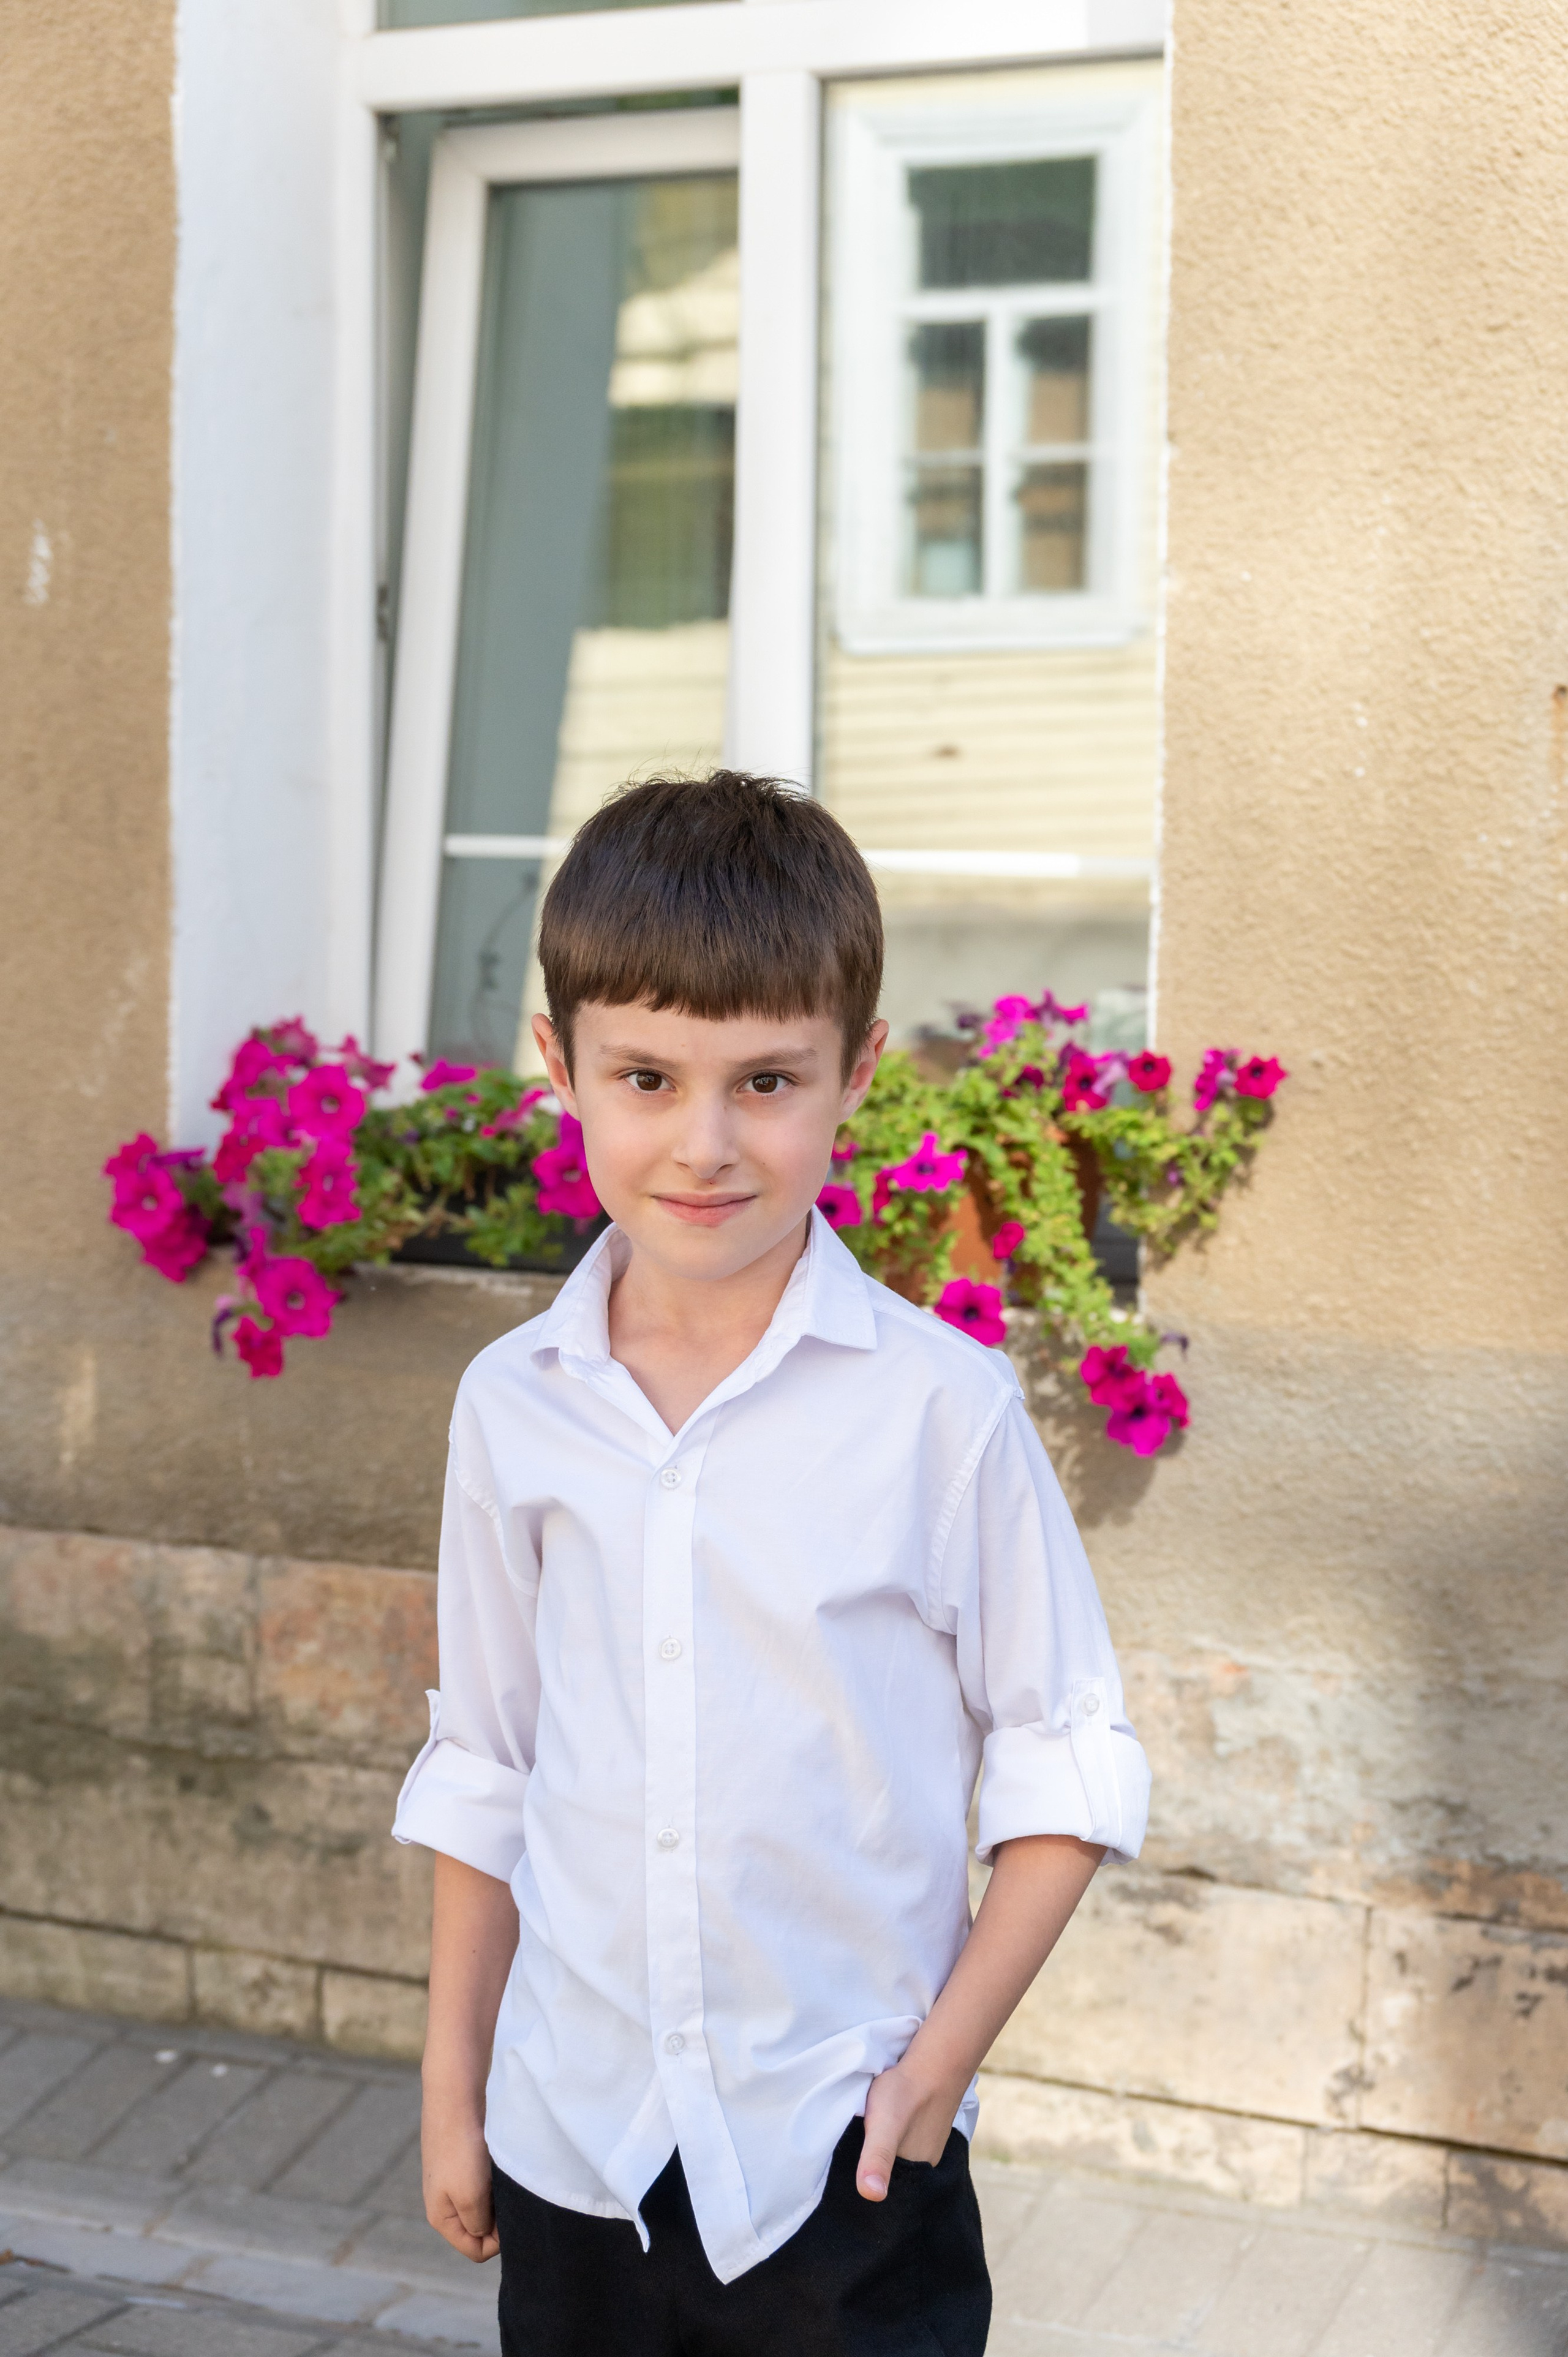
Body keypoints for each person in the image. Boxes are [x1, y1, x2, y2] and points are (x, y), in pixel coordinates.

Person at [392, 771, 1150, 2355]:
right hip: (575, 2147)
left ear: (857, 1074)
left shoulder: (941, 1413)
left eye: (768, 1082)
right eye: (651, 1077)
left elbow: (1067, 1756)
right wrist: (453, 2088)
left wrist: (935, 2072)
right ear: (562, 1067)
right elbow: (488, 1758)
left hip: (843, 2159)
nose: (707, 1143)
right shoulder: (514, 1410)